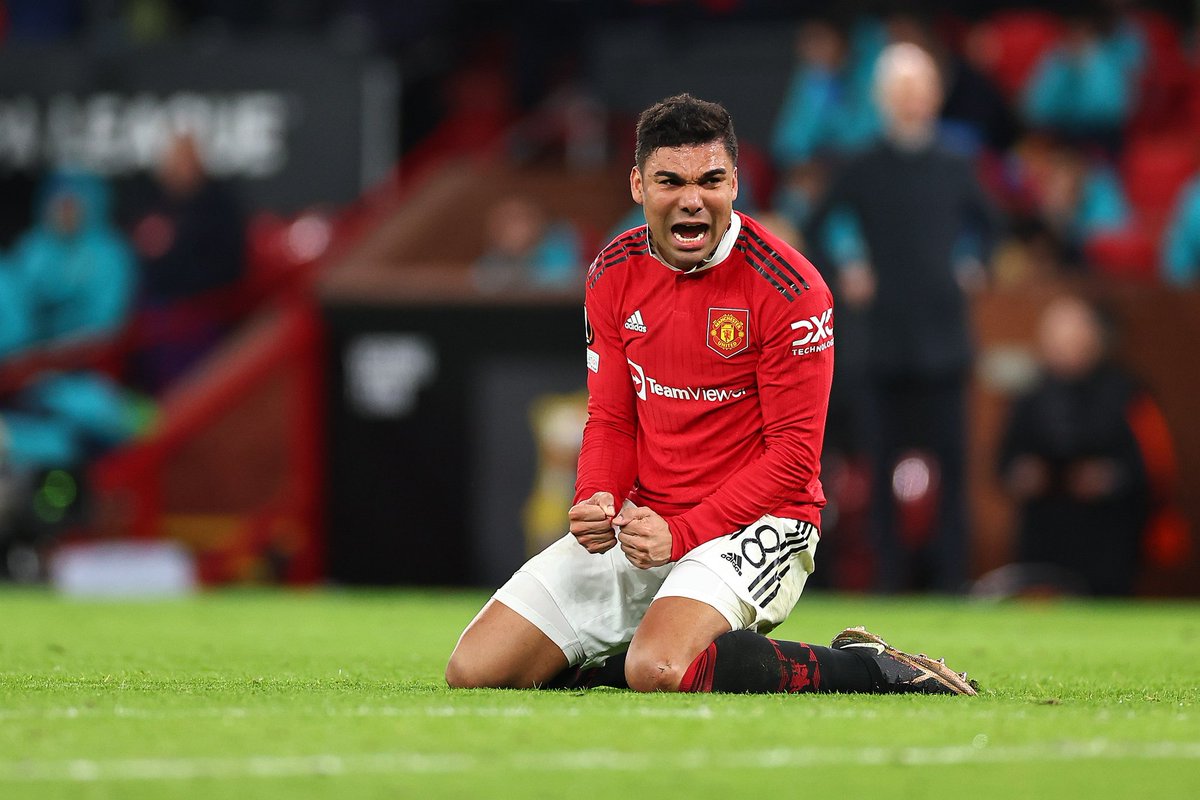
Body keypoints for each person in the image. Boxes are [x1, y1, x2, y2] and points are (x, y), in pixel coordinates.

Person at [446, 94, 976, 696]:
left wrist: (682, 533)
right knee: (476, 670)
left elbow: (794, 459)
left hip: (759, 522)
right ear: (638, 185)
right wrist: (596, 496)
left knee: (660, 668)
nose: (692, 199)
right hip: (648, 521)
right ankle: (632, 655)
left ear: (735, 185)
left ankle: (870, 668)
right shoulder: (612, 271)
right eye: (670, 181)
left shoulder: (791, 289)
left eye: (710, 180)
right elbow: (612, 418)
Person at [804, 43, 1002, 594]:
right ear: (883, 98)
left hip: (944, 339)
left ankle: (952, 579)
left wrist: (974, 264)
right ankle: (887, 579)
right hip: (882, 342)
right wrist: (846, 268)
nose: (912, 100)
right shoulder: (862, 165)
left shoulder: (956, 162)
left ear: (935, 95)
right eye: (901, 91)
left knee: (953, 468)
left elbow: (991, 224)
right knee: (879, 465)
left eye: (920, 89)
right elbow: (817, 226)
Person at [996, 296, 1157, 596]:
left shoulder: (1126, 393)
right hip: (1045, 532)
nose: (1064, 347)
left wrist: (1108, 477)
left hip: (1106, 536)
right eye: (1056, 339)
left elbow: (1151, 465)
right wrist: (1023, 474)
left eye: (1073, 338)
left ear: (1094, 339)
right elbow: (1005, 460)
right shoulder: (1030, 394)